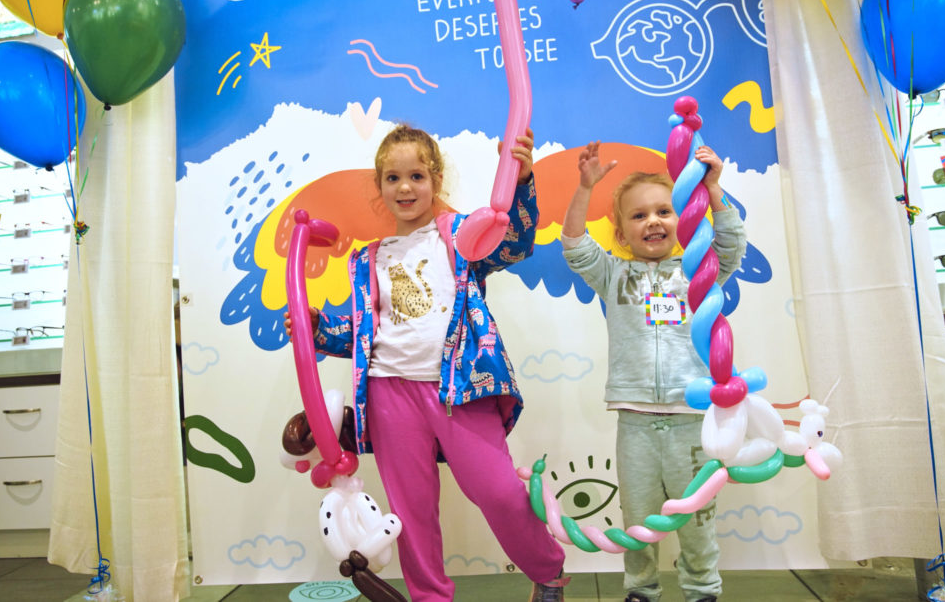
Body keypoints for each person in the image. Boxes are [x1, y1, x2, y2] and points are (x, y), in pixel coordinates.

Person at [287, 124, 567, 602]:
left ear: (435, 180)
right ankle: (429, 597)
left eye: (416, 175)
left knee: (498, 492)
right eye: (392, 179)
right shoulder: (366, 259)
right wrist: (315, 328)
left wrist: (521, 178)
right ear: (379, 187)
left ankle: (548, 571)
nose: (405, 188)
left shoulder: (458, 237)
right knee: (412, 513)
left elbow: (516, 243)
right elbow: (361, 333)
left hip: (459, 386)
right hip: (387, 391)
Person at [560, 142, 746, 602]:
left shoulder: (698, 272)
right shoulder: (614, 275)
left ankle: (702, 588)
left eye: (664, 211)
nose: (653, 221)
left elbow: (731, 244)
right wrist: (585, 188)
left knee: (697, 516)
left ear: (681, 220)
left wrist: (714, 188)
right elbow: (575, 246)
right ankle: (640, 589)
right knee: (638, 519)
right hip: (636, 421)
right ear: (622, 232)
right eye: (638, 216)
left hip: (692, 417)